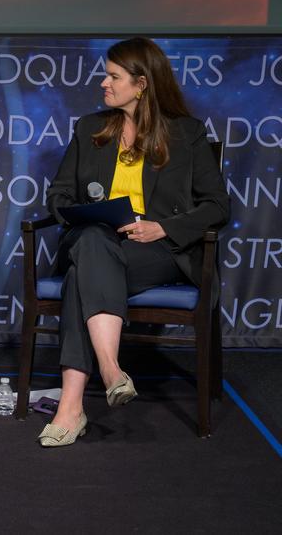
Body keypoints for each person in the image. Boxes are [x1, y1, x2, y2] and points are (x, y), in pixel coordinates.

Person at [39, 37, 230, 447]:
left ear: (141, 83)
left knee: (79, 278)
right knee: (91, 240)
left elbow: (217, 206)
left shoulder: (187, 134)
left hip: (154, 249)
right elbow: (58, 196)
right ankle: (111, 370)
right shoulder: (90, 128)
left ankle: (71, 407)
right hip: (95, 239)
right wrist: (83, 214)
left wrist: (162, 227)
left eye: (113, 77)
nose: (103, 84)